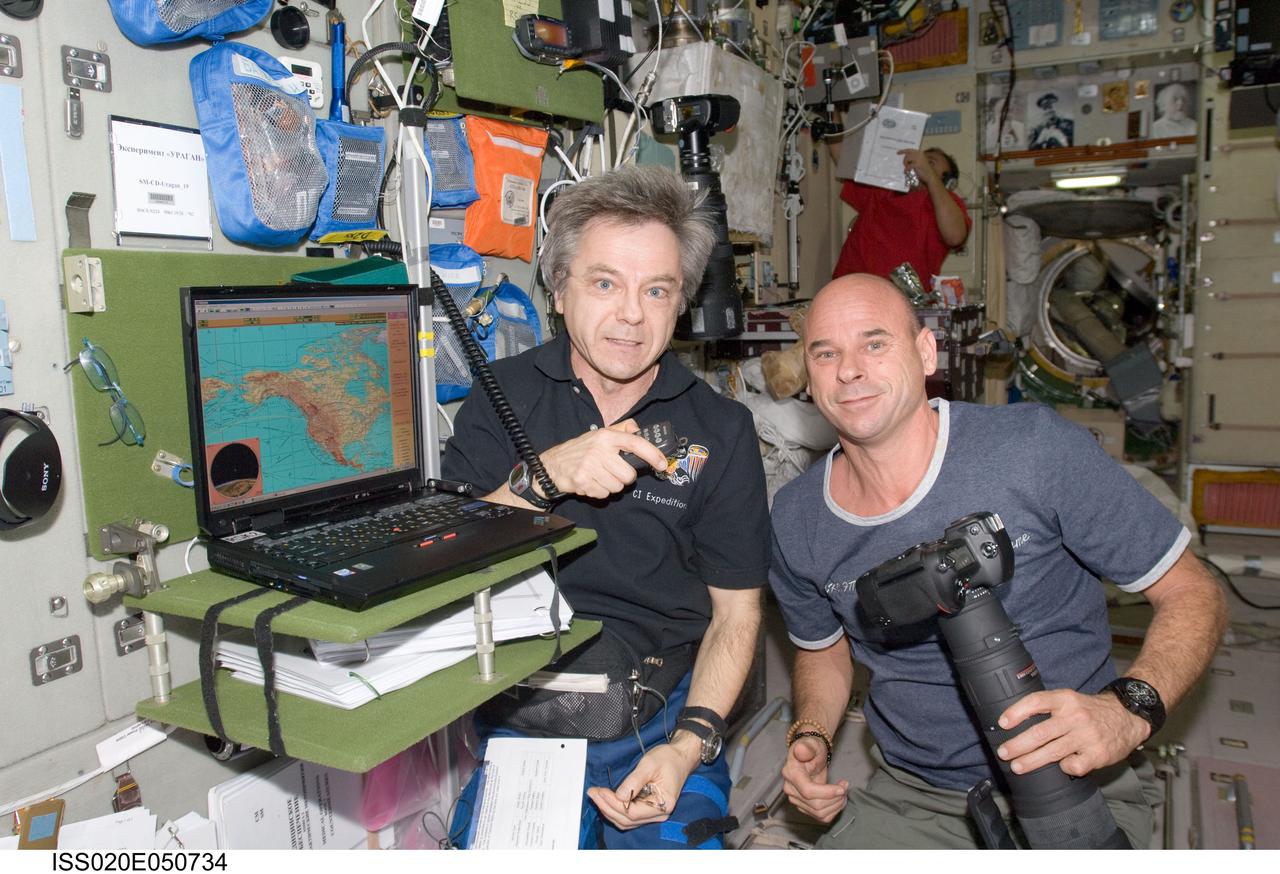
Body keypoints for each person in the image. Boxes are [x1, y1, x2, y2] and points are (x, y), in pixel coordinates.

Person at [768, 274, 1228, 849]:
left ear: (925, 351)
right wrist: (810, 735)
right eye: (826, 353)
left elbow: (1193, 591)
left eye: (875, 343)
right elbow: (824, 649)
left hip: (1079, 777)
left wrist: (1129, 709)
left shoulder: (1032, 450)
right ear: (808, 377)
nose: (850, 369)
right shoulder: (795, 519)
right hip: (919, 793)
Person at [442, 165, 770, 849]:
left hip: (664, 707)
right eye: (604, 283)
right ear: (559, 291)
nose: (631, 314)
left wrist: (688, 746)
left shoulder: (722, 429)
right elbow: (445, 561)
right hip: (528, 700)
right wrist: (542, 479)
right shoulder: (501, 396)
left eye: (657, 290)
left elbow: (738, 616)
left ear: (680, 303)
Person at [831, 147, 971, 284]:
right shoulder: (883, 187)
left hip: (900, 298)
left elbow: (955, 236)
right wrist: (833, 127)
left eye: (931, 163)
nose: (920, 164)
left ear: (945, 181)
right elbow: (843, 158)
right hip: (850, 287)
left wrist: (930, 177)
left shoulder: (947, 203)